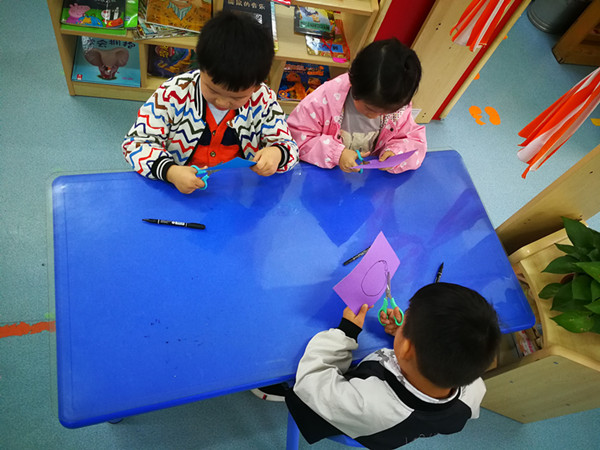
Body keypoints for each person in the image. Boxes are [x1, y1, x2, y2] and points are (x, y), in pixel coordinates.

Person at [285, 282, 501, 449]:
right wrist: (404, 335)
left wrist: (347, 332)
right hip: (394, 426)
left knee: (286, 380)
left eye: (406, 320)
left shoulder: (365, 404)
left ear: (407, 348)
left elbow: (312, 380)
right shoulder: (473, 390)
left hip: (348, 417)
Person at [122, 11, 299, 194]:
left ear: (256, 86)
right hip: (179, 188)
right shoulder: (173, 93)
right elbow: (135, 144)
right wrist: (170, 171)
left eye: (237, 98)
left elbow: (290, 147)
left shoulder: (263, 99)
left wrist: (278, 153)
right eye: (213, 90)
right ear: (200, 65)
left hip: (237, 191)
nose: (222, 102)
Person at [286, 38, 426, 174]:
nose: (376, 116)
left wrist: (395, 152)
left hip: (367, 179)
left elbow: (415, 142)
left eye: (387, 112)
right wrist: (336, 153)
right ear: (353, 84)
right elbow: (296, 138)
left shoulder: (398, 109)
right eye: (370, 109)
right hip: (325, 175)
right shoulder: (323, 100)